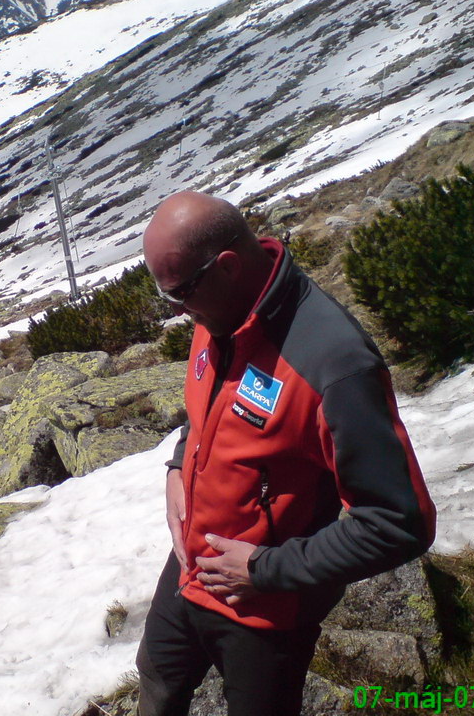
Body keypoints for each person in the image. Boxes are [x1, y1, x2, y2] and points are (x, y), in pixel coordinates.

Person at [137, 190, 437, 716]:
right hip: (189, 571)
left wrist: (266, 569)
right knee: (157, 684)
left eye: (180, 292)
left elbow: (400, 521)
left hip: (266, 609)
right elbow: (207, 409)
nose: (179, 311)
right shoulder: (217, 312)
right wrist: (178, 465)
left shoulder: (333, 362)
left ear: (225, 266)